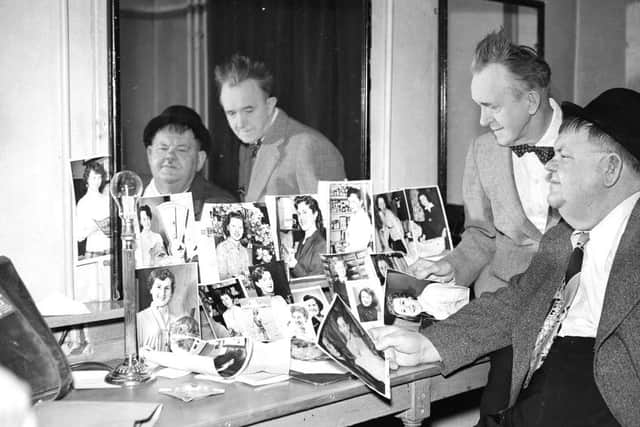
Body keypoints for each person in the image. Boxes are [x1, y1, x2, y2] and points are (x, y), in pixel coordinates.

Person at [373, 88, 640, 427]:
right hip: (531, 397)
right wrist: (429, 345)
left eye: (564, 156)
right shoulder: (563, 239)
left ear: (610, 169)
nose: (549, 168)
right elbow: (514, 302)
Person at [409, 30, 562, 420]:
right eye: (478, 106)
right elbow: (479, 235)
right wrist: (452, 267)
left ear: (531, 100)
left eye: (491, 106)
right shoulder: (482, 151)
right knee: (498, 413)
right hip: (507, 312)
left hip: (571, 315)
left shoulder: (591, 141)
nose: (481, 119)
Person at [214, 53, 346, 202]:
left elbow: (330, 221)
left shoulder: (311, 146)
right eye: (231, 113)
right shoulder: (249, 143)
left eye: (249, 110)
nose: (240, 123)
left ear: (270, 105)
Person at [142, 105, 237, 220]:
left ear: (200, 160)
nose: (170, 156)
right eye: (163, 148)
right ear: (150, 154)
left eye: (181, 150)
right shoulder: (125, 197)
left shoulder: (221, 207)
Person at [137, 268, 179, 351]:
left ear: (171, 292)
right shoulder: (140, 318)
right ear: (151, 289)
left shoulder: (175, 320)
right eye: (159, 287)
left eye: (167, 288)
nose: (162, 293)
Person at [76, 159, 111, 257]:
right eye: (94, 178)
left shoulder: (106, 199)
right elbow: (79, 236)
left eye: (99, 178)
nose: (97, 182)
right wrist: (96, 227)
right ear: (87, 179)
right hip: (93, 252)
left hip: (110, 250)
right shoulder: (82, 203)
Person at [336, 315, 385, 384]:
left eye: (343, 325)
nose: (343, 329)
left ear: (348, 326)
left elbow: (368, 357)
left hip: (376, 367)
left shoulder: (357, 338)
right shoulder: (348, 344)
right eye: (340, 327)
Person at [285, 195, 326, 277]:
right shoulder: (301, 241)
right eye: (299, 214)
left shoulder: (321, 243)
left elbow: (315, 280)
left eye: (305, 212)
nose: (301, 218)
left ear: (315, 214)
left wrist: (295, 265)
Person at [216, 211, 251, 280]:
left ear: (243, 230)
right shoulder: (221, 248)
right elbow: (221, 277)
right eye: (233, 226)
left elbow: (248, 273)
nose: (237, 230)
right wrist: (236, 278)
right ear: (228, 227)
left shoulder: (244, 250)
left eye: (240, 227)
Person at [344, 187, 372, 252]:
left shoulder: (363, 219)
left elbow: (361, 245)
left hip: (360, 255)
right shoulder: (353, 216)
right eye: (349, 202)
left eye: (353, 202)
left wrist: (347, 249)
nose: (351, 205)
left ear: (361, 202)